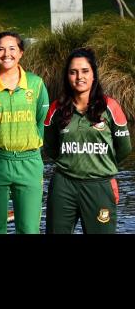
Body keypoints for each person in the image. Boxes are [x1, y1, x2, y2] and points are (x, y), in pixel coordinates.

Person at [43, 48, 131, 234]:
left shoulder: (110, 107)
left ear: (93, 75)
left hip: (99, 186)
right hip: (64, 186)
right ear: (67, 76)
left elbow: (124, 148)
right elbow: (49, 147)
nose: (79, 77)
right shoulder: (56, 108)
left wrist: (103, 168)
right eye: (73, 72)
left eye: (85, 71)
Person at [0, 31, 49, 234]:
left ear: (21, 52)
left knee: (29, 229)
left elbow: (41, 122)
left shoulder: (37, 84)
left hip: (29, 162)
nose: (7, 54)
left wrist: (28, 143)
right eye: (1, 49)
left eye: (12, 48)